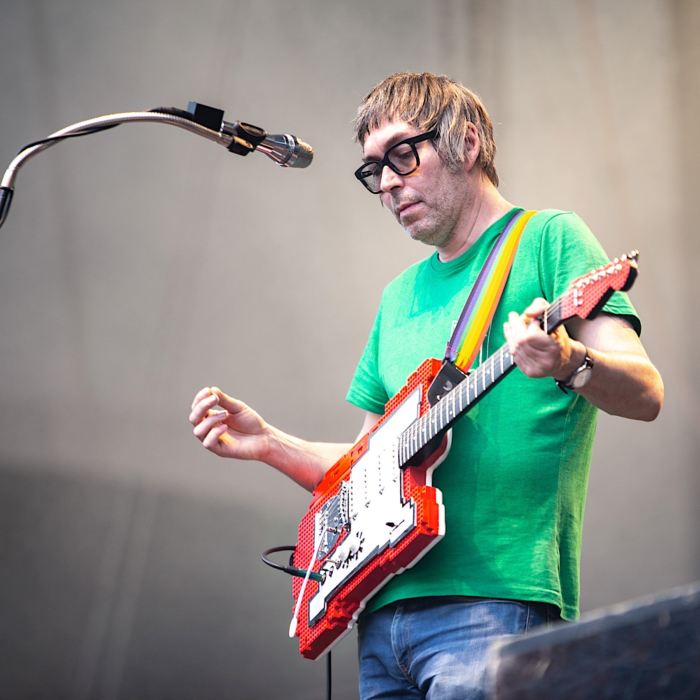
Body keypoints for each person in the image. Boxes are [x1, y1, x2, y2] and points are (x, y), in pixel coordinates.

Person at [188, 73, 664, 699]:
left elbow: (647, 392)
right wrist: (268, 442)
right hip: (381, 615)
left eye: (402, 156)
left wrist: (569, 361)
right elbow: (366, 471)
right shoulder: (397, 298)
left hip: (494, 603)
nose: (386, 183)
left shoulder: (548, 238)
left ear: (467, 144)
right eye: (372, 171)